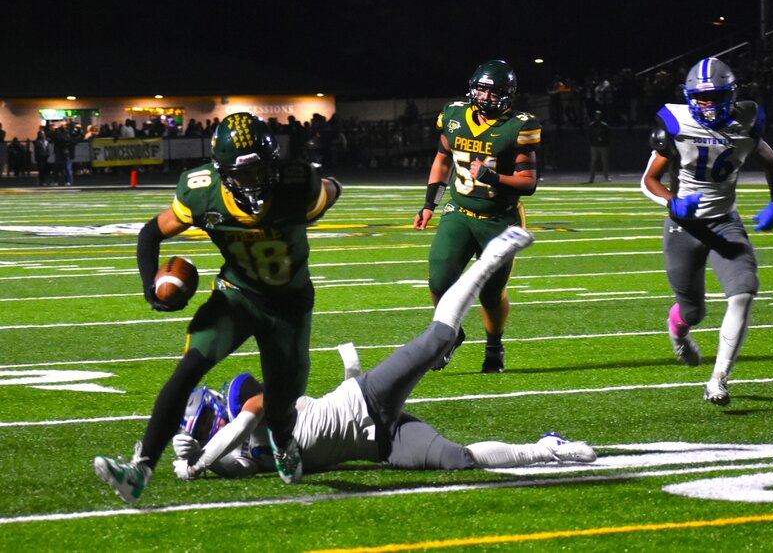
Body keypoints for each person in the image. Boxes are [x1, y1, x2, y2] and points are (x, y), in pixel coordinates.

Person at [169, 227, 596, 481]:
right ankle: (548, 449)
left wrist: (198, 461)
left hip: (367, 398)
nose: (211, 429)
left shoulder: (258, 404)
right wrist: (189, 460)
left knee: (436, 340)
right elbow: (243, 463)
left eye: (207, 421)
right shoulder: (247, 457)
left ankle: (490, 257)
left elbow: (239, 426)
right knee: (456, 460)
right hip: (379, 444)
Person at [94, 112, 342, 503]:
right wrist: (150, 289)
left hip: (289, 306)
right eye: (242, 174)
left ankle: (282, 441)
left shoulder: (297, 184)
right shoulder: (203, 191)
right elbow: (150, 232)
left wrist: (329, 186)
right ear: (221, 171)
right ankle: (139, 469)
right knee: (189, 368)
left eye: (260, 169)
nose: (254, 181)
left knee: (281, 404)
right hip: (237, 294)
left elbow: (330, 190)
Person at [640, 57, 773, 406]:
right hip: (684, 226)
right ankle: (679, 329)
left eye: (714, 97)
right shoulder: (676, 123)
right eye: (700, 98)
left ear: (730, 95)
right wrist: (673, 204)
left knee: (743, 293)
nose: (706, 105)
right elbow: (648, 180)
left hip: (725, 220)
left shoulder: (746, 121)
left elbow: (770, 160)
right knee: (693, 312)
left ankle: (719, 378)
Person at [413, 59, 541, 374]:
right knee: (439, 278)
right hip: (458, 210)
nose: (485, 98)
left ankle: (494, 347)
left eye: (493, 92)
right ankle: (450, 335)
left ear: (507, 95)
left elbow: (528, 183)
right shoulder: (454, 115)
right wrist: (430, 203)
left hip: (500, 219)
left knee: (490, 293)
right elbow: (442, 159)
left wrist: (492, 177)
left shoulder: (519, 126)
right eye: (481, 90)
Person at [587, 110, 611, 183]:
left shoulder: (604, 126)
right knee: (593, 162)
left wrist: (605, 143)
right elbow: (589, 136)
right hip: (594, 146)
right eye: (596, 115)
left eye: (599, 115)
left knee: (604, 161)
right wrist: (591, 143)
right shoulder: (592, 126)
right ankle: (591, 178)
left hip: (603, 146)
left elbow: (608, 136)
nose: (598, 117)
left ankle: (606, 177)